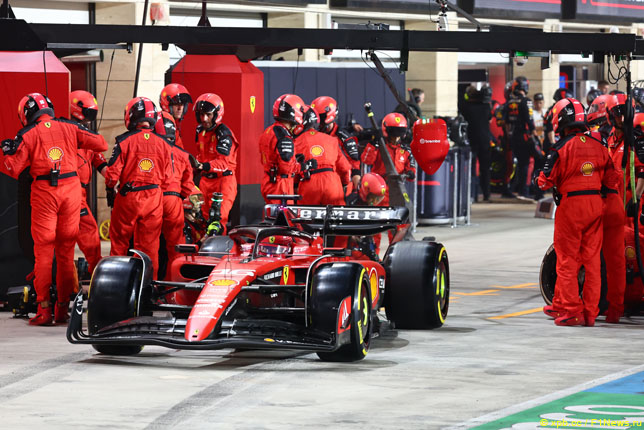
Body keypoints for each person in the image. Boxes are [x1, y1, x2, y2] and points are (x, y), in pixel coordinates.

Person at [0, 92, 107, 325]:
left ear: (26, 114)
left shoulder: (27, 134)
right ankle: (62, 310)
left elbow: (13, 168)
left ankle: (44, 311)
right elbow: (101, 144)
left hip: (45, 193)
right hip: (72, 191)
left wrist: (8, 150)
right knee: (67, 253)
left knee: (44, 253)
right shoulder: (69, 127)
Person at [537, 97, 619, 326]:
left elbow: (545, 181)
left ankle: (571, 311)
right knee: (592, 261)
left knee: (567, 259)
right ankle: (589, 313)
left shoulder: (561, 148)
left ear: (560, 121)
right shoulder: (599, 144)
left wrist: (539, 178)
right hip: (596, 204)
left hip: (571, 207)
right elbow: (613, 177)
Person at [104, 97, 172, 279]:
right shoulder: (165, 144)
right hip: (154, 198)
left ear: (131, 116)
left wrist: (110, 190)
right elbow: (167, 177)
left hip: (129, 197)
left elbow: (112, 176)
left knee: (119, 243)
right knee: (150, 248)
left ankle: (116, 285)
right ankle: (150, 289)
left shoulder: (124, 141)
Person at [69, 90, 108, 275]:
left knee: (90, 234)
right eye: (89, 113)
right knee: (81, 233)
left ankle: (95, 273)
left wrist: (113, 177)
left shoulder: (87, 134)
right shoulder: (67, 131)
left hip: (80, 192)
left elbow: (98, 159)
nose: (91, 118)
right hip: (70, 190)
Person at [155, 111, 194, 276]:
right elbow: (188, 186)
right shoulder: (183, 155)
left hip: (153, 199)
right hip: (174, 200)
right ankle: (174, 289)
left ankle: (149, 287)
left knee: (149, 246)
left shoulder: (150, 150)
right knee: (176, 249)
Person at [193, 93, 238, 234]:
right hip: (205, 182)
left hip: (223, 182)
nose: (204, 119)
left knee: (217, 223)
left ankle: (219, 254)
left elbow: (223, 163)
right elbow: (201, 156)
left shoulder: (224, 134)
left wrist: (202, 166)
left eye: (208, 115)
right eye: (201, 114)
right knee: (203, 222)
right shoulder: (200, 131)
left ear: (216, 114)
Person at [294, 106, 352, 205]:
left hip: (309, 184)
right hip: (332, 183)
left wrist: (295, 186)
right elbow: (345, 168)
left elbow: (294, 169)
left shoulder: (296, 142)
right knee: (336, 218)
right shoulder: (332, 140)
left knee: (306, 218)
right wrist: (345, 183)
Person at [259, 94, 305, 204]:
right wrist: (303, 166)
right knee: (283, 218)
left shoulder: (269, 131)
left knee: (271, 217)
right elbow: (286, 168)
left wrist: (294, 159)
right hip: (281, 184)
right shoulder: (284, 136)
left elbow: (274, 157)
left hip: (269, 181)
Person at [311, 96, 361, 189]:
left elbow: (354, 166)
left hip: (340, 186)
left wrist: (356, 188)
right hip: (317, 184)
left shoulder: (344, 137)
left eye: (319, 117)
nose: (317, 121)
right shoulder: (311, 135)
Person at [505, 76, 538, 198]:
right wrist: (535, 135)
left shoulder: (510, 102)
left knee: (518, 163)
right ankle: (524, 191)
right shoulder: (526, 101)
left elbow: (507, 122)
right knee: (526, 163)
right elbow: (530, 120)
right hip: (524, 137)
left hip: (513, 137)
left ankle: (517, 188)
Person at [460, 85, 492, 202]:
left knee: (471, 169)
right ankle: (486, 195)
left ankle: (472, 195)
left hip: (471, 140)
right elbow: (489, 119)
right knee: (485, 169)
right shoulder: (486, 107)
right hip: (484, 140)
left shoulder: (465, 107)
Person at [159, 83, 192, 149]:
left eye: (182, 104)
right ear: (167, 104)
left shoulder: (172, 123)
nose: (180, 108)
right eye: (176, 104)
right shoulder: (164, 125)